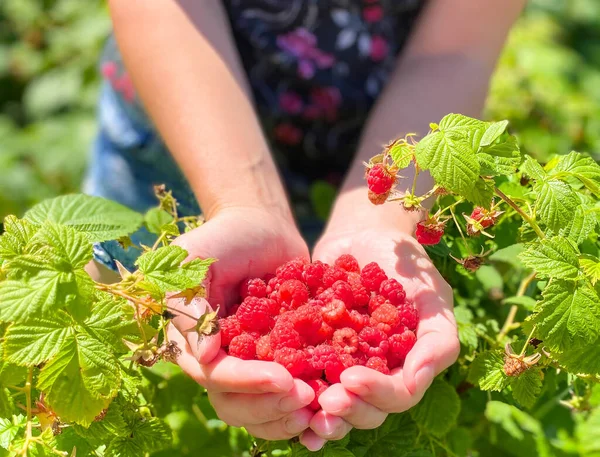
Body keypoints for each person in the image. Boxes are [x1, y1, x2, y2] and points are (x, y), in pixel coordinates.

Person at [85, 0, 526, 450]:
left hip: (379, 160)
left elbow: (454, 50)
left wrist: (379, 218)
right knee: (110, 338)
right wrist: (243, 205)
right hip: (178, 131)